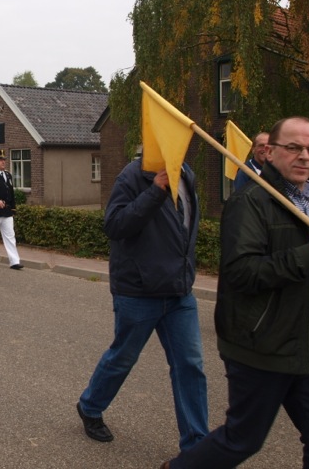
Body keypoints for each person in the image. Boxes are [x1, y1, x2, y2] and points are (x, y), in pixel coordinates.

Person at [162, 117, 309, 469]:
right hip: (263, 344)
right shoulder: (249, 202)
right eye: (293, 148)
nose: (304, 156)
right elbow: (242, 273)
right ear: (269, 152)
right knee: (242, 440)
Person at [76, 159, 208, 450]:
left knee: (190, 365)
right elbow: (114, 224)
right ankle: (90, 406)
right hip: (138, 291)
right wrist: (155, 192)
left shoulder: (187, 174)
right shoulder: (132, 176)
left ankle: (197, 446)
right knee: (123, 357)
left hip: (179, 292)